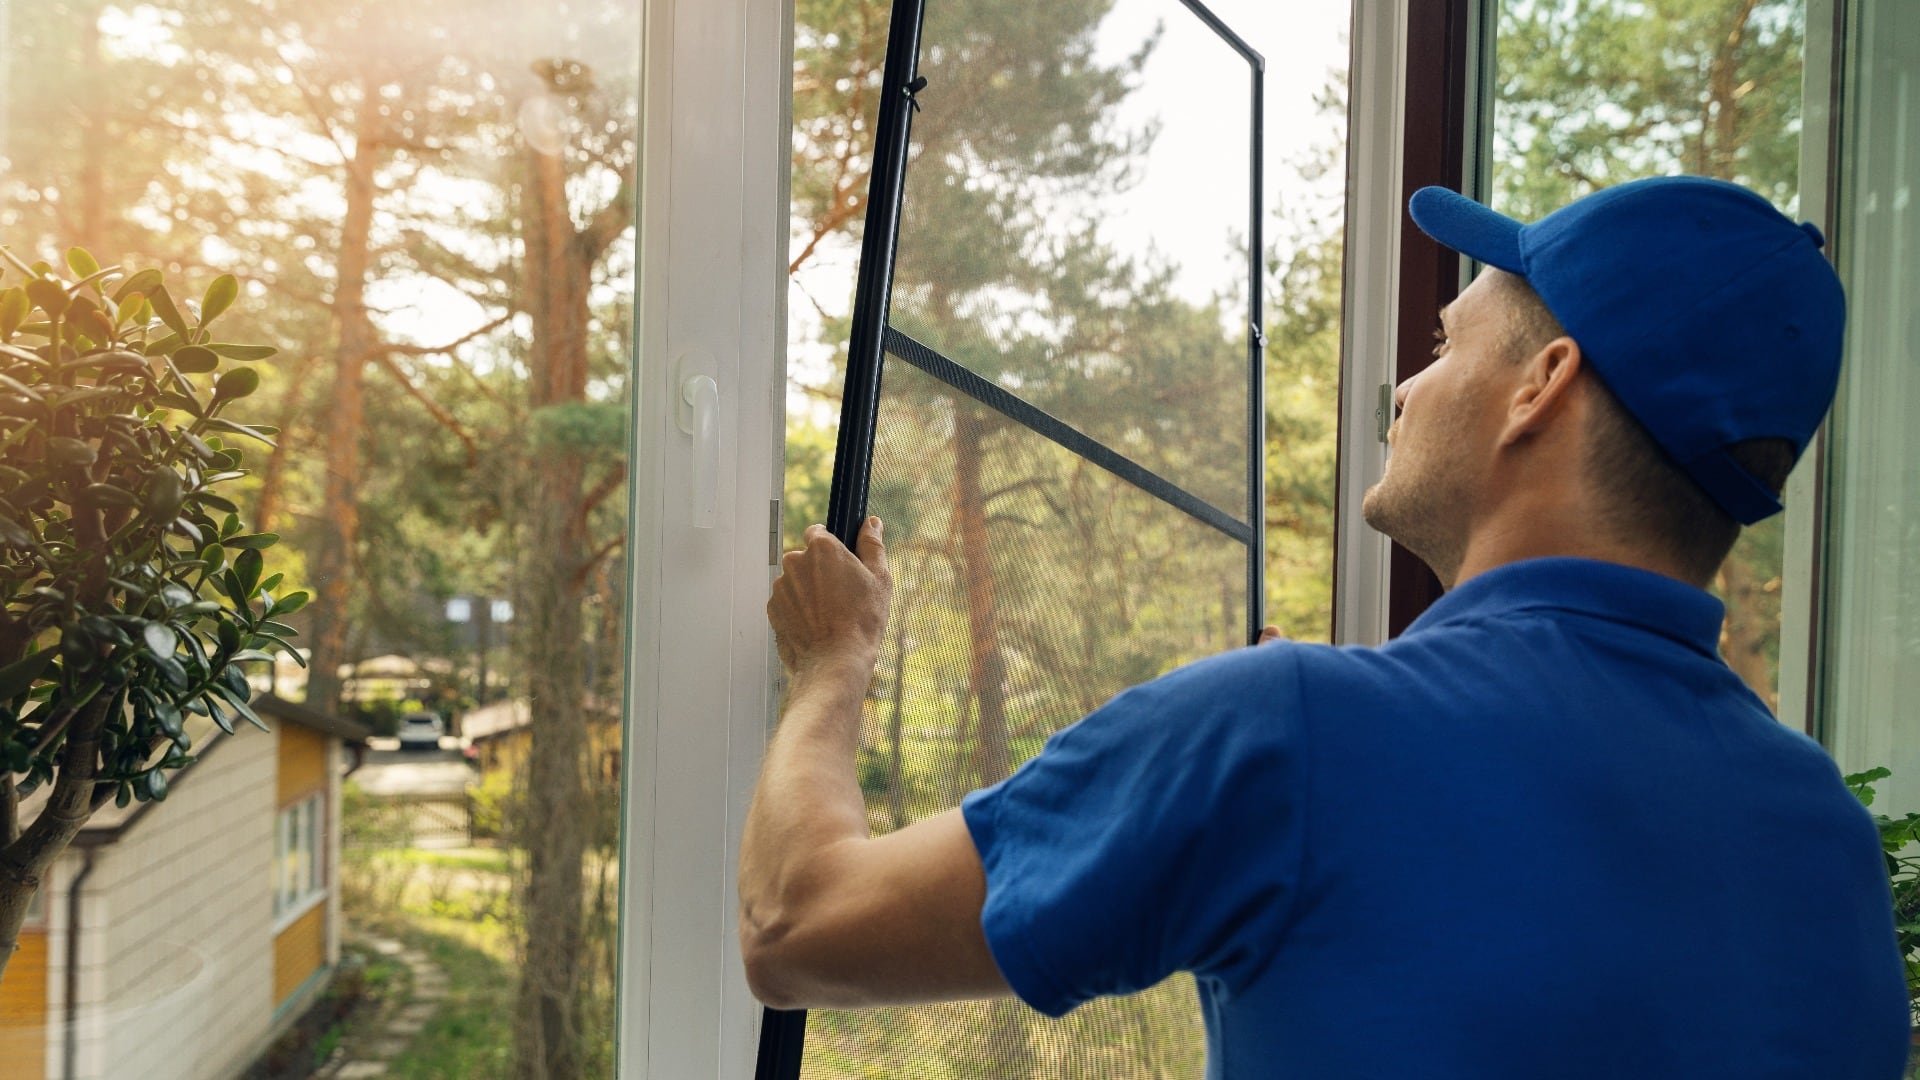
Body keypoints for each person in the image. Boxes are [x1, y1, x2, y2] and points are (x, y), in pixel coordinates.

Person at [739, 177, 1912, 1077]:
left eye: (1448, 344)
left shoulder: (1297, 735)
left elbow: (798, 926)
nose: (1405, 386)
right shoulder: (1830, 848)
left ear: (1542, 384)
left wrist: (833, 662)